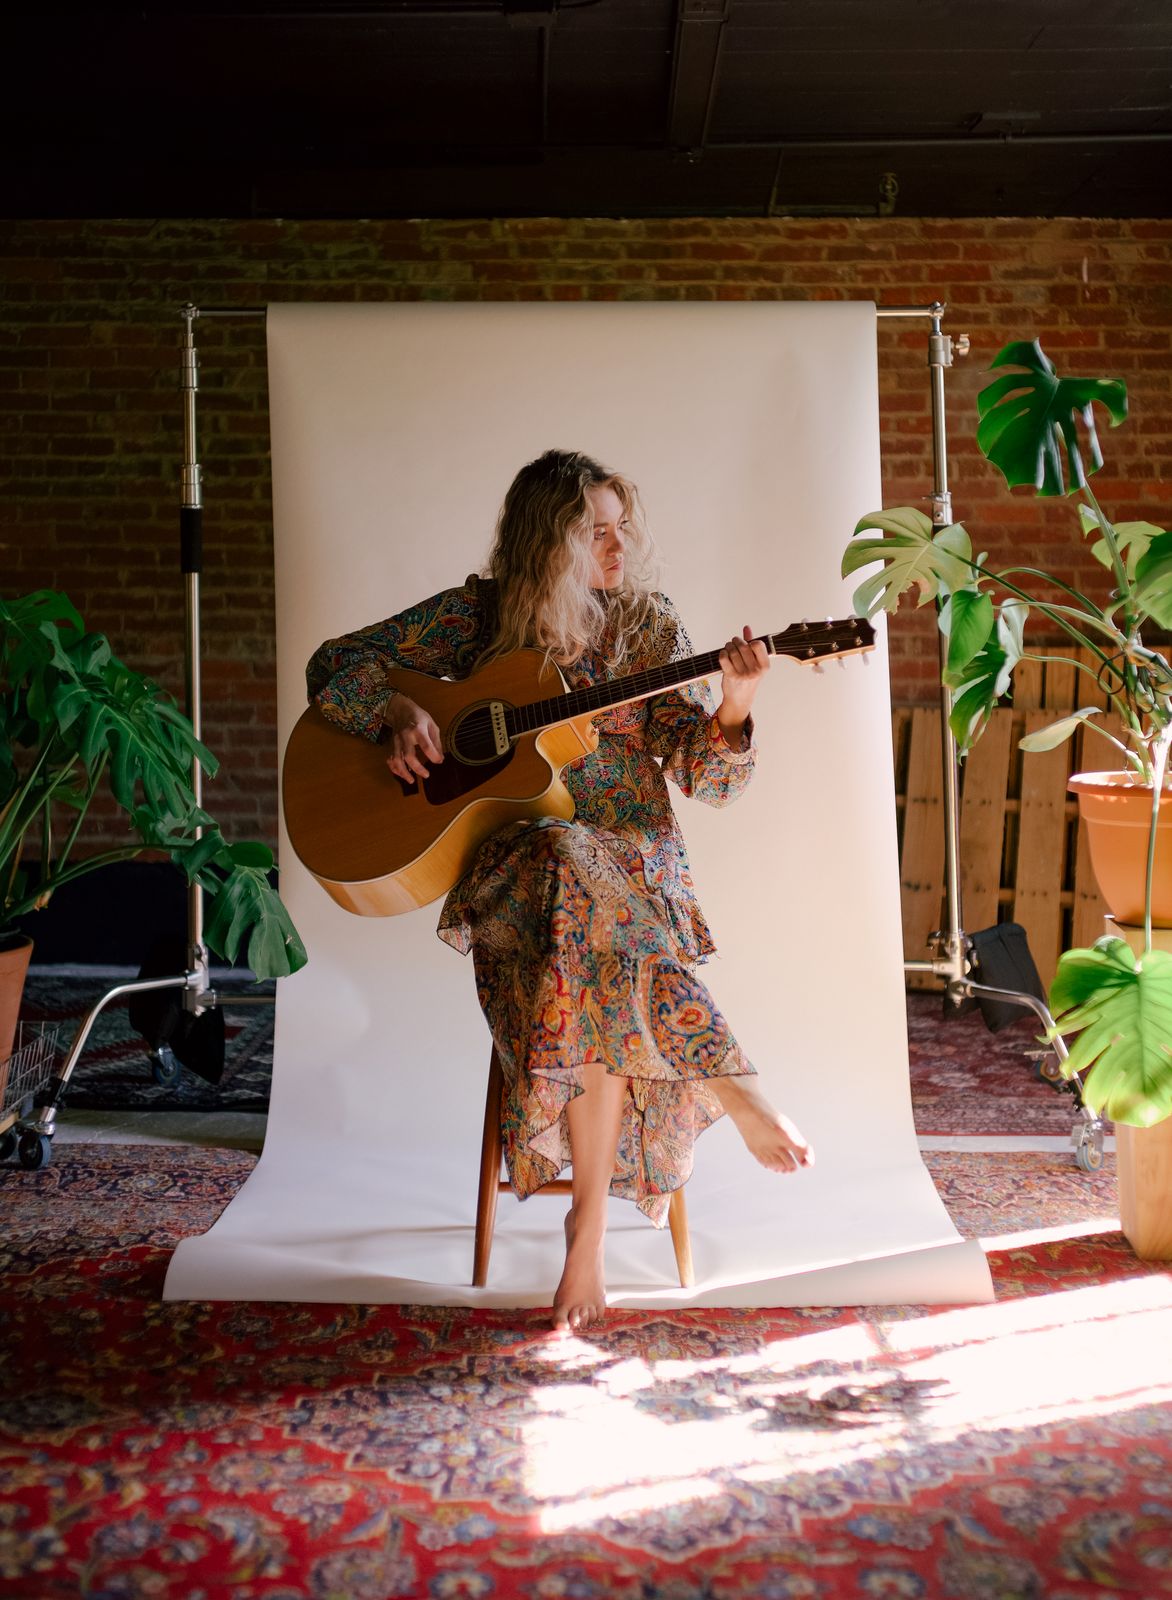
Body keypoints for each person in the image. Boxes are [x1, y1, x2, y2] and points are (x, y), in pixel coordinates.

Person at [306, 449, 813, 1333]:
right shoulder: (474, 619)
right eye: (596, 533)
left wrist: (734, 705)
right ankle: (725, 1075)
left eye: (624, 530)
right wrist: (393, 710)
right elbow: (333, 665)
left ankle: (587, 1231)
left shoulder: (648, 626)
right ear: (545, 541)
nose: (619, 551)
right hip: (519, 877)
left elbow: (709, 778)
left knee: (584, 920)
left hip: (633, 879)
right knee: (561, 857)